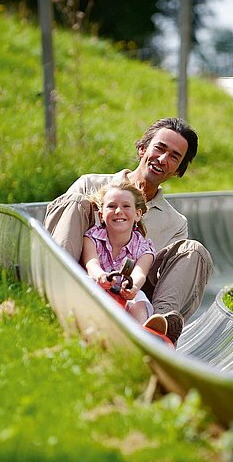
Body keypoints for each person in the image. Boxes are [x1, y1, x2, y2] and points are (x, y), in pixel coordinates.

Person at [43, 118, 213, 345]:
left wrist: (132, 286)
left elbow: (151, 273)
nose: (163, 159)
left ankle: (157, 329)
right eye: (159, 149)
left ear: (178, 170)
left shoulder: (175, 223)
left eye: (174, 157)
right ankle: (57, 295)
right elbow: (58, 225)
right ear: (143, 149)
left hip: (132, 297)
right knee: (74, 202)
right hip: (83, 278)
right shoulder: (88, 185)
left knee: (195, 250)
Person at [81, 181, 156, 326]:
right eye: (111, 206)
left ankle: (142, 331)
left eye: (126, 206)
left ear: (138, 215)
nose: (118, 211)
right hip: (99, 287)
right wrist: (100, 276)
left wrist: (132, 286)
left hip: (125, 294)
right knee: (88, 283)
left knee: (139, 300)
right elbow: (91, 262)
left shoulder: (144, 248)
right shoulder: (92, 237)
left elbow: (140, 273)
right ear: (102, 215)